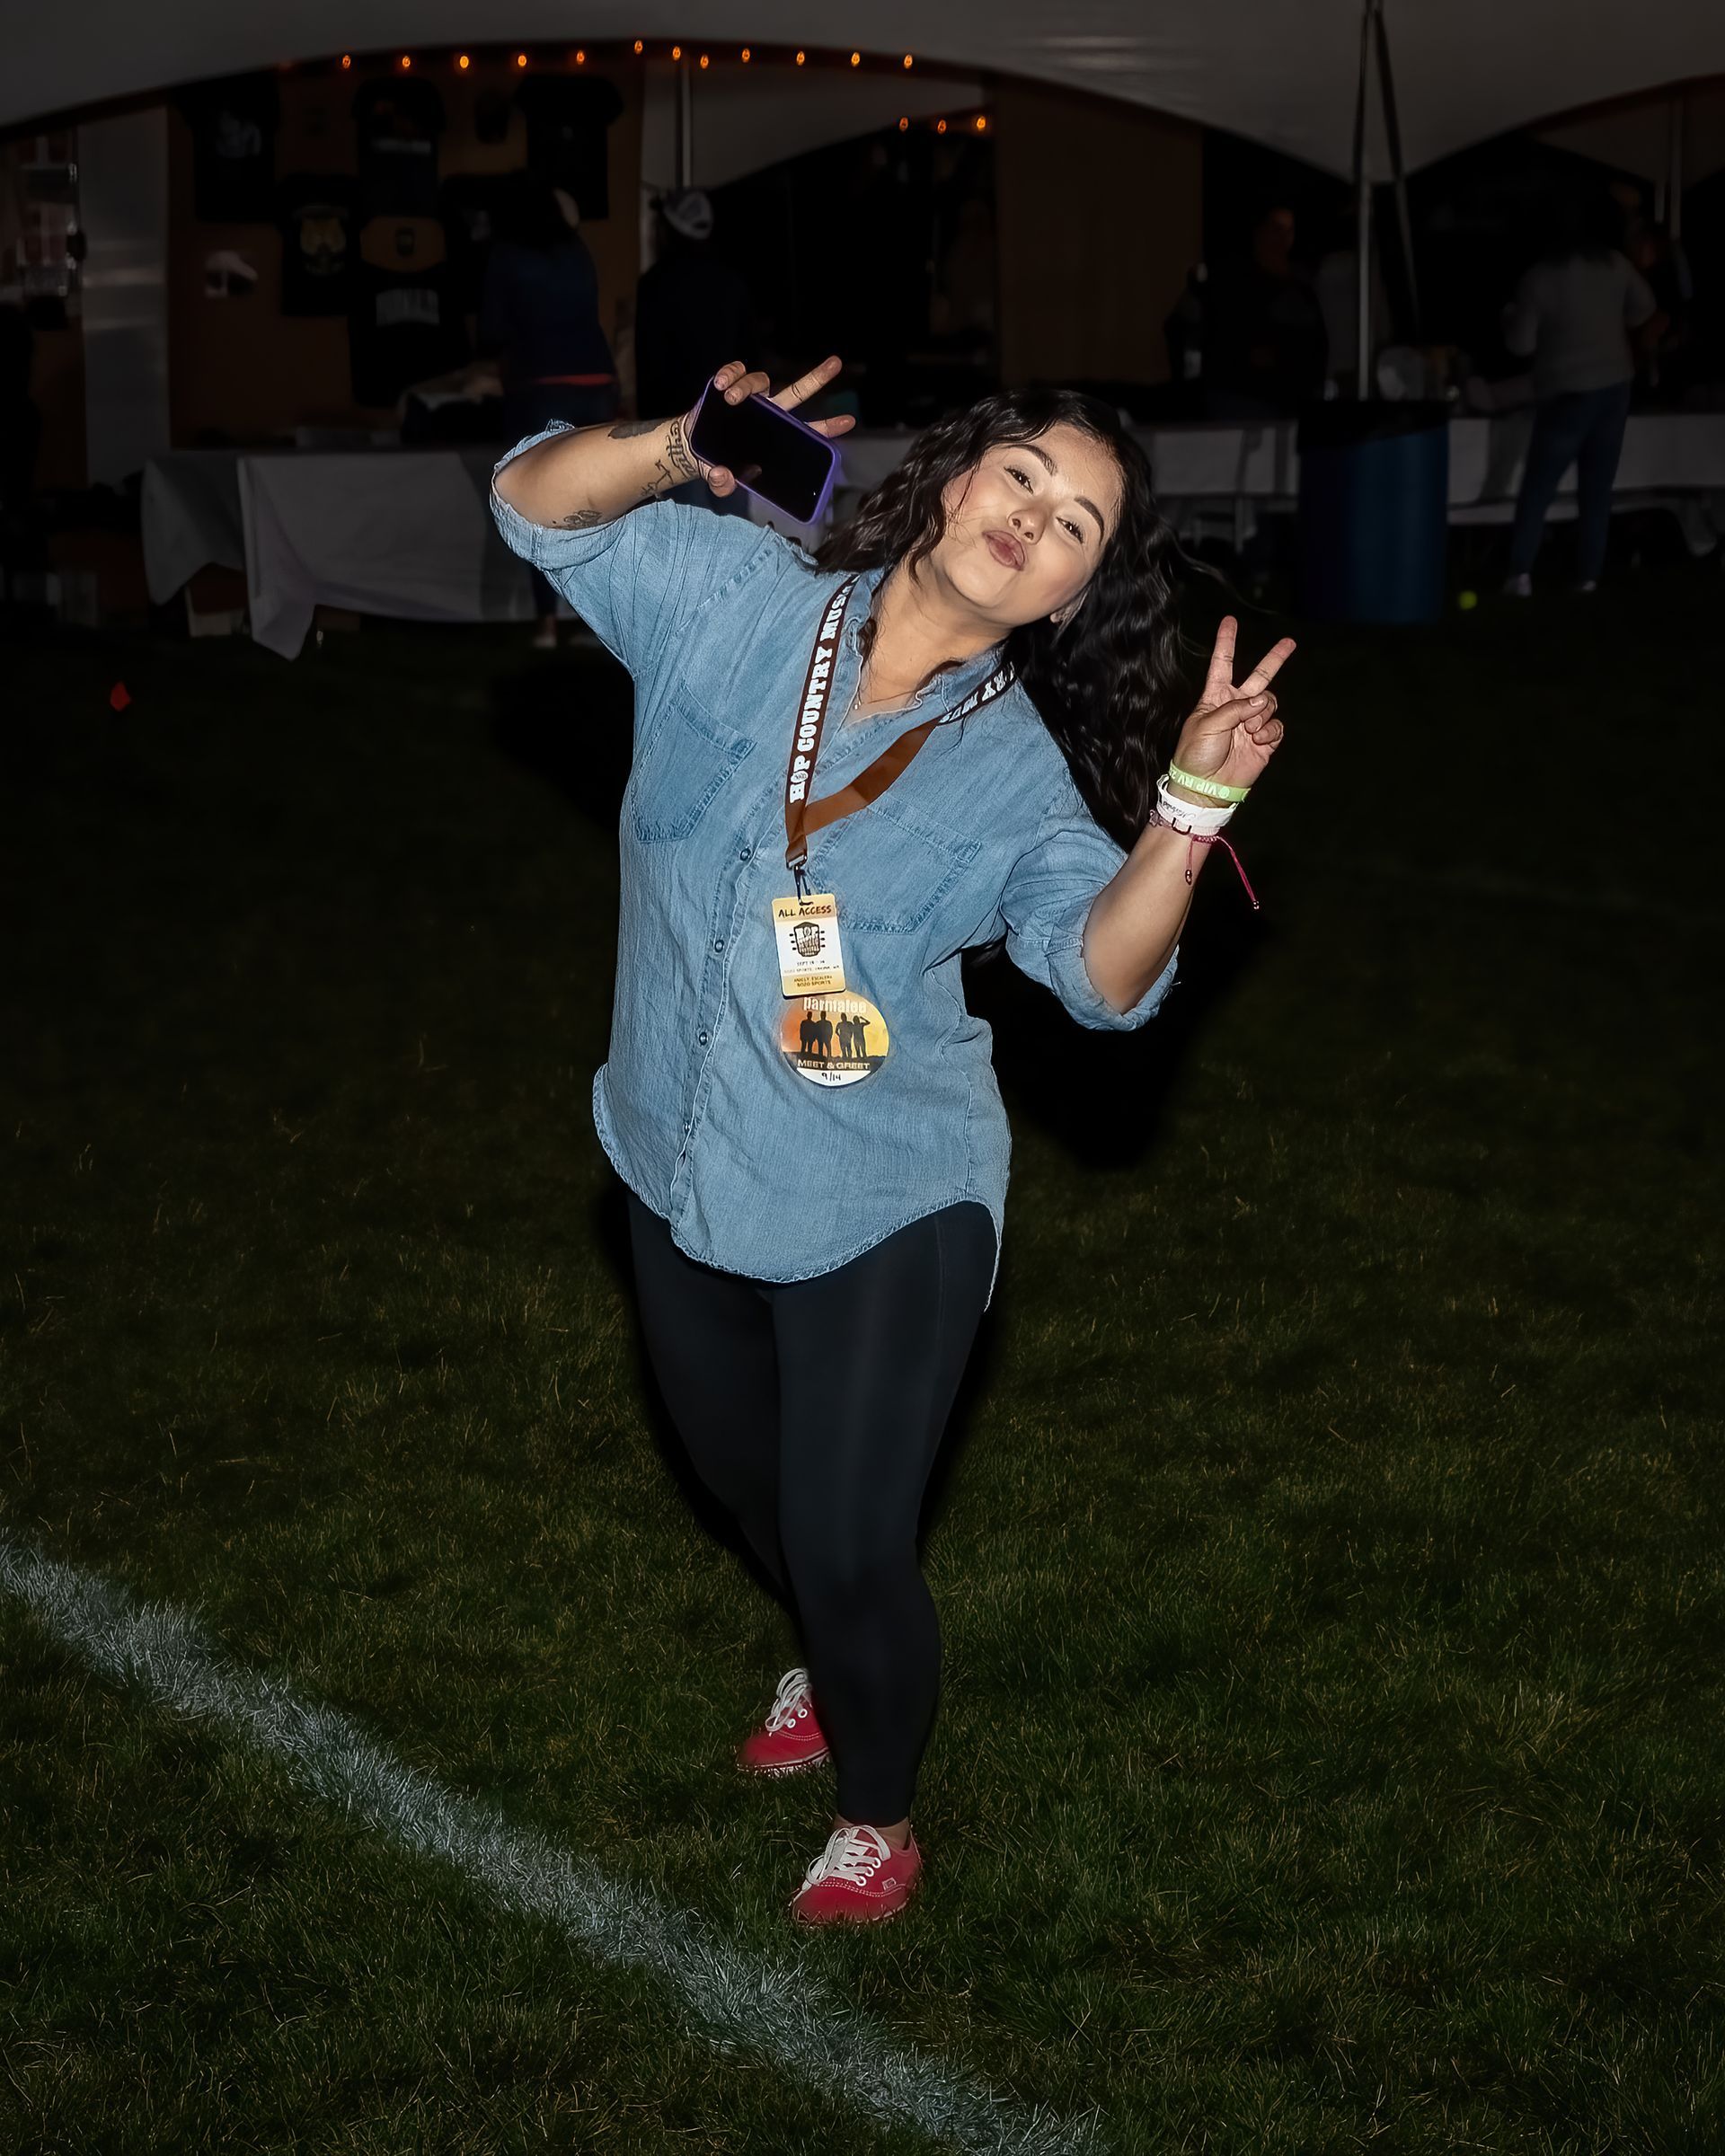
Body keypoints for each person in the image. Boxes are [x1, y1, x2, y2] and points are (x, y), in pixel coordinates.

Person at [488, 354, 1292, 1924]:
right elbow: (533, 505)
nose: (1033, 522)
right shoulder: (736, 600)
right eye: (1023, 479)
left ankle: (877, 1809)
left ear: (1067, 599)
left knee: (850, 1539)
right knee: (749, 1491)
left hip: (884, 1191)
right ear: (952, 473)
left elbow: (1108, 983)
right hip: (677, 1148)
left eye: (1076, 526)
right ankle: (824, 1638)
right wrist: (681, 445)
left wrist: (1186, 812)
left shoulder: (1016, 784)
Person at [1501, 192, 1666, 596]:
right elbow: (1645, 308)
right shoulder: (1613, 264)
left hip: (1565, 389)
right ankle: (1588, 576)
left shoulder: (1539, 278)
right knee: (1597, 488)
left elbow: (1521, 345)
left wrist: (1508, 319)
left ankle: (1521, 573)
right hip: (1614, 386)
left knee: (1539, 486)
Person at [479, 174, 620, 645]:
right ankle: (600, 621)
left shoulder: (506, 256)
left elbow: (492, 329)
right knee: (599, 504)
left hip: (540, 383)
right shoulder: (577, 252)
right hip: (596, 380)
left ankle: (547, 622)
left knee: (536, 503)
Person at [634, 190, 755, 518]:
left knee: (691, 530)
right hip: (730, 421)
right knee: (736, 529)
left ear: (668, 230)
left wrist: (648, 435)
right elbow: (749, 357)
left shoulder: (655, 284)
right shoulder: (732, 282)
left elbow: (650, 366)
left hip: (678, 426)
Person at [1202, 204, 1328, 419]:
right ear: (1259, 232)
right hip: (1245, 401)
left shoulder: (1302, 285)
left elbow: (1315, 340)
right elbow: (1230, 343)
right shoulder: (1236, 282)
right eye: (1276, 229)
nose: (1284, 237)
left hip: (1294, 401)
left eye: (1289, 230)